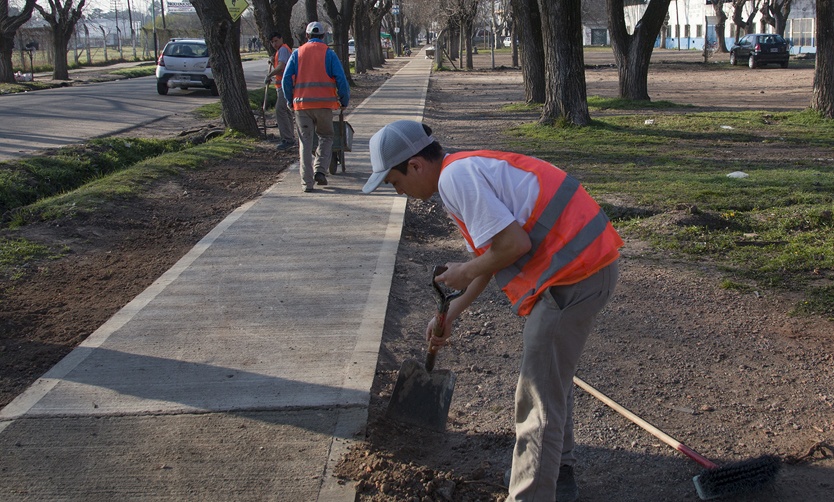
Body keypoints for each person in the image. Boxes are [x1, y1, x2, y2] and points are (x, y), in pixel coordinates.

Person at [362, 120, 623, 502]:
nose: (399, 191)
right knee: (550, 380)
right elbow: (493, 255)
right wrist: (451, 314)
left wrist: (464, 271)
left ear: (415, 165)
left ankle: (532, 493)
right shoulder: (461, 170)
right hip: (584, 267)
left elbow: (511, 245)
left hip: (573, 277)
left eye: (395, 182)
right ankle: (557, 473)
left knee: (536, 395)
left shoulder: (456, 179)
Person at [282, 21, 350, 192]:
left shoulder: (297, 54)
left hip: (302, 106)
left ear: (307, 36)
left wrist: (290, 100)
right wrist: (344, 100)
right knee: (326, 137)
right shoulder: (329, 54)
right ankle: (320, 170)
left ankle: (307, 183)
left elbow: (285, 80)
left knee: (305, 142)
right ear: (323, 36)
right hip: (324, 105)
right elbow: (341, 80)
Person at [264, 32, 295, 151]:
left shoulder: (283, 49)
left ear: (281, 39)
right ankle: (290, 137)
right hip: (283, 86)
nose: (274, 44)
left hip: (285, 86)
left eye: (276, 41)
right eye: (272, 42)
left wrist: (269, 75)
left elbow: (281, 67)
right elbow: (280, 64)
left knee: (280, 110)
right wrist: (273, 61)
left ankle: (287, 139)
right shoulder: (281, 51)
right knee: (286, 112)